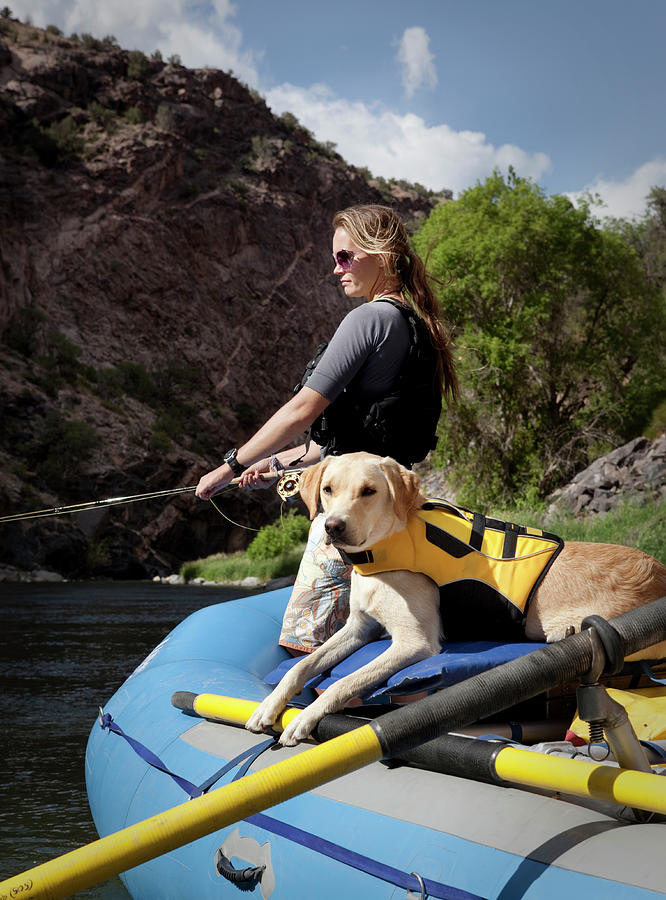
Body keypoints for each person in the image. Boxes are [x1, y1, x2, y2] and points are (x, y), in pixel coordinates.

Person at [196, 203, 458, 651]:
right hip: (390, 515)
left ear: (384, 254)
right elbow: (339, 446)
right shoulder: (414, 328)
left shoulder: (370, 318)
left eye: (345, 257)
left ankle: (304, 718)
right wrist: (273, 465)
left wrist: (229, 464)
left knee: (304, 642)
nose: (336, 270)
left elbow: (303, 410)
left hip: (350, 520)